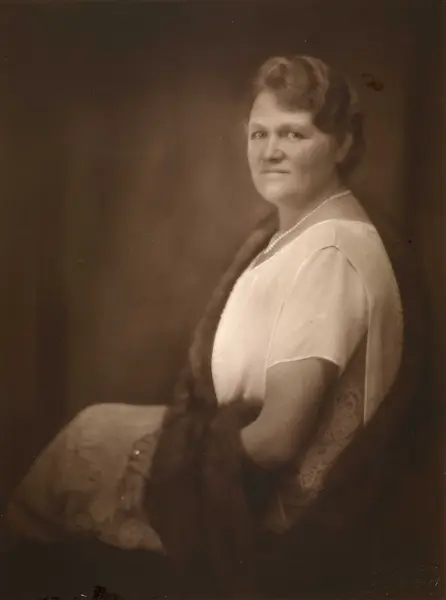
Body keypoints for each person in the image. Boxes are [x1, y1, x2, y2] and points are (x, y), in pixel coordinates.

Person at [5, 55, 419, 598]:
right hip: (237, 466)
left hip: (278, 515)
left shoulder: (331, 254)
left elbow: (277, 442)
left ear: (342, 144)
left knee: (68, 470)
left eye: (294, 133)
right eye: (259, 133)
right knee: (88, 434)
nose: (270, 151)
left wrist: (172, 471)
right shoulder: (304, 232)